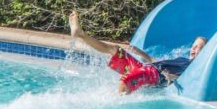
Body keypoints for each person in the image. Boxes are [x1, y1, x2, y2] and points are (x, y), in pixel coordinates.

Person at [68, 11, 207, 93]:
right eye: (193, 46)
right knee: (115, 49)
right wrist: (139, 52)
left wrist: (169, 77)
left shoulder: (191, 66)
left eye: (198, 47)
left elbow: (184, 78)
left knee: (125, 80)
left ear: (204, 51)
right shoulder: (182, 59)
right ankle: (81, 34)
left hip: (152, 75)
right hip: (146, 68)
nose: (193, 49)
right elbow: (154, 61)